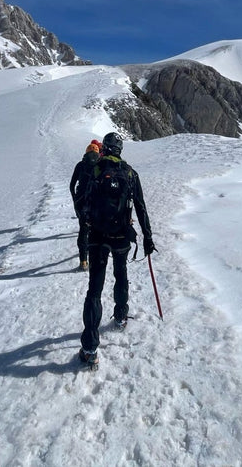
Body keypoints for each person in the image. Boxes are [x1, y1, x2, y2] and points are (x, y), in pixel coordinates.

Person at [79, 131, 156, 367]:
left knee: (95, 288)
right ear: (120, 150)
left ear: (104, 149)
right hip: (122, 235)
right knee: (121, 273)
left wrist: (88, 224)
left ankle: (90, 348)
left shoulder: (94, 170)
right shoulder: (130, 173)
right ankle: (121, 315)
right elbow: (141, 207)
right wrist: (147, 237)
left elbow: (82, 202)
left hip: (97, 237)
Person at [69, 139, 103, 270]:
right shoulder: (101, 163)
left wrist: (75, 200)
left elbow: (72, 185)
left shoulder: (80, 165)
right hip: (96, 201)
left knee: (83, 229)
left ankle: (83, 261)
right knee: (97, 229)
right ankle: (98, 256)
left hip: (81, 201)